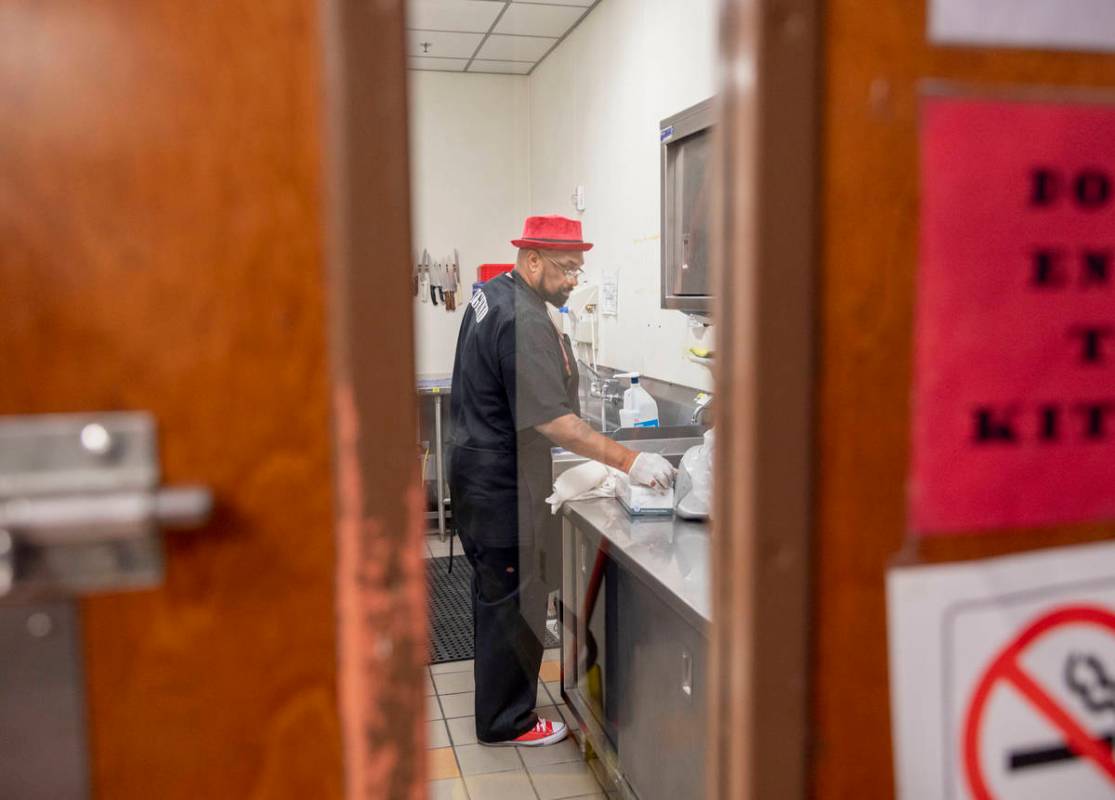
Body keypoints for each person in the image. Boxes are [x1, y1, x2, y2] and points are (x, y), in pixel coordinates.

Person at [448, 215, 676, 747]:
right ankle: (509, 722)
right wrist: (629, 461)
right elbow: (554, 422)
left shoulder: (494, 295)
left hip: (478, 474)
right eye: (568, 267)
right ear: (532, 260)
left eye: (579, 267)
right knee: (512, 600)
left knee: (497, 596)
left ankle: (501, 706)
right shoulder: (524, 319)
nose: (576, 278)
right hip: (501, 487)